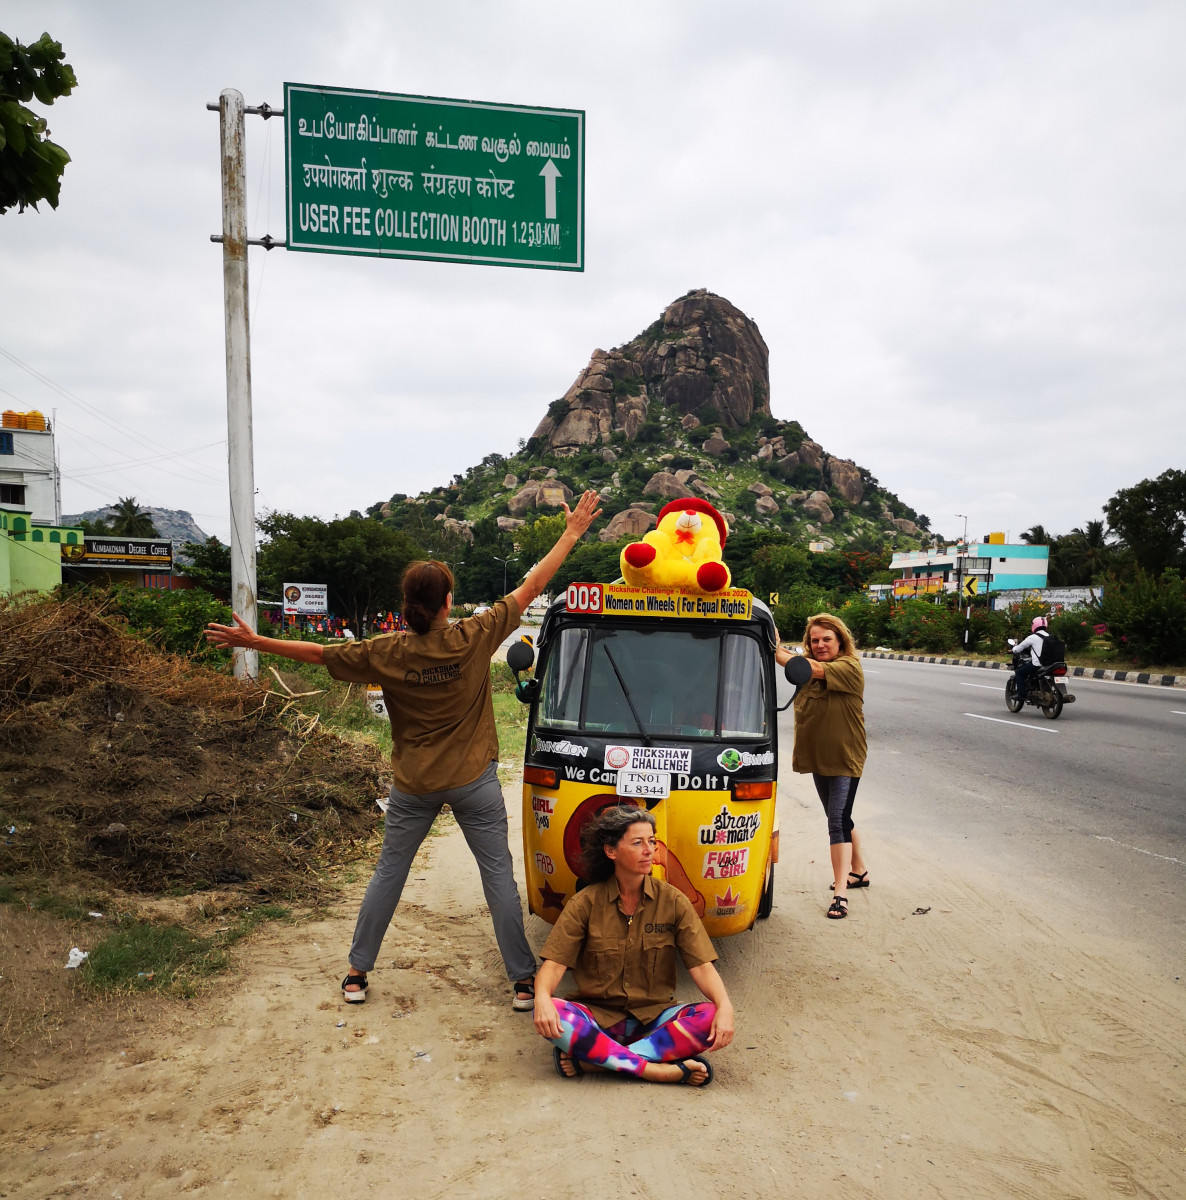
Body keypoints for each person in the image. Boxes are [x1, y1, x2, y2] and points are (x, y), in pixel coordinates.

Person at [205, 490, 602, 1010]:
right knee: (498, 878)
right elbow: (533, 586)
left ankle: (356, 973)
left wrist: (255, 643)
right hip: (474, 782)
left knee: (389, 874)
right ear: (445, 603)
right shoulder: (475, 635)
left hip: (413, 783)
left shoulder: (387, 651)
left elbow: (319, 654)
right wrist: (570, 533)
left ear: (407, 604)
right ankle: (524, 982)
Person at [532, 806, 735, 1086]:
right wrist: (541, 999)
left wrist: (725, 1006)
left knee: (708, 1017)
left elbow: (701, 965)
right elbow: (553, 966)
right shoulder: (585, 903)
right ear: (611, 851)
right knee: (555, 1011)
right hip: (598, 1020)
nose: (649, 850)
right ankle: (655, 1069)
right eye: (637, 842)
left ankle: (601, 1062)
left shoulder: (673, 901)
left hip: (654, 1021)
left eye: (651, 841)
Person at [775, 613, 868, 920]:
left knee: (836, 821)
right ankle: (859, 870)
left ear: (840, 640)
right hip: (818, 757)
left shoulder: (849, 667)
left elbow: (810, 667)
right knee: (838, 815)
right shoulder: (807, 672)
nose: (820, 645)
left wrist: (774, 646)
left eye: (827, 639)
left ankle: (840, 893)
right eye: (814, 640)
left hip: (844, 756)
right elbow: (804, 668)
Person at [1012, 616, 1053, 700]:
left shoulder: (1032, 637)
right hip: (1050, 664)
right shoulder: (1051, 636)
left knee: (1019, 673)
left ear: (1034, 625)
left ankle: (1021, 694)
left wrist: (1013, 649)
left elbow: (1019, 648)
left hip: (1038, 664)